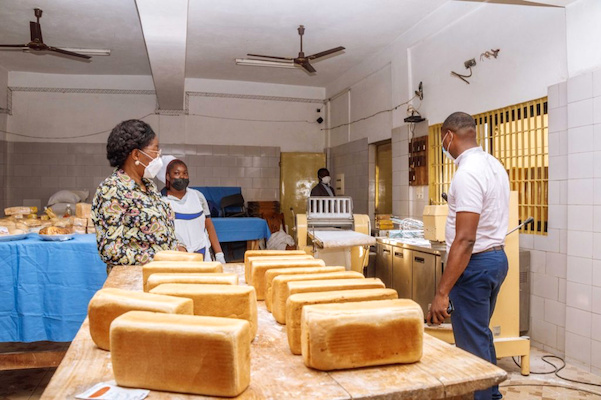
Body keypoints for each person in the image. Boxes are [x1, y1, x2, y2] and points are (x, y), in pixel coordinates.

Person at [425, 112, 509, 400]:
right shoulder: (494, 165)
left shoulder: (468, 173)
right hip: (496, 260)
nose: (443, 146)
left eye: (442, 140)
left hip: (474, 265)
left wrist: (442, 292)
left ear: (449, 135)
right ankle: (491, 392)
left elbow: (465, 238)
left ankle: (486, 397)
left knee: (471, 343)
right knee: (479, 333)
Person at [91, 119, 184, 271]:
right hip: (134, 282)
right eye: (155, 150)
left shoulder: (149, 186)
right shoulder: (112, 190)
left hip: (162, 274)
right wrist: (162, 258)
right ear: (136, 154)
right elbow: (110, 252)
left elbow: (162, 232)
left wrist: (179, 248)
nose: (158, 157)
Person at [160, 159, 227, 265]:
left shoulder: (198, 196)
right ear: (168, 176)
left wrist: (219, 254)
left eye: (185, 173)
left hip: (203, 254)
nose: (182, 176)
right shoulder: (161, 201)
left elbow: (209, 226)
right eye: (177, 173)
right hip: (178, 258)